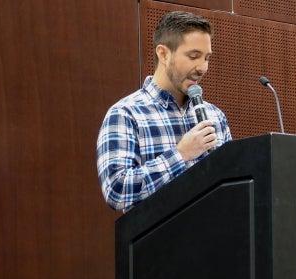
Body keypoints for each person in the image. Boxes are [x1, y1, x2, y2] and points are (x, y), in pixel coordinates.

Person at [96, 11, 232, 212]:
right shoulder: (126, 114)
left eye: (206, 58)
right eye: (193, 56)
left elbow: (231, 186)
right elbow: (116, 191)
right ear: (163, 53)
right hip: (159, 243)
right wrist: (180, 154)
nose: (202, 67)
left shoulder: (215, 117)